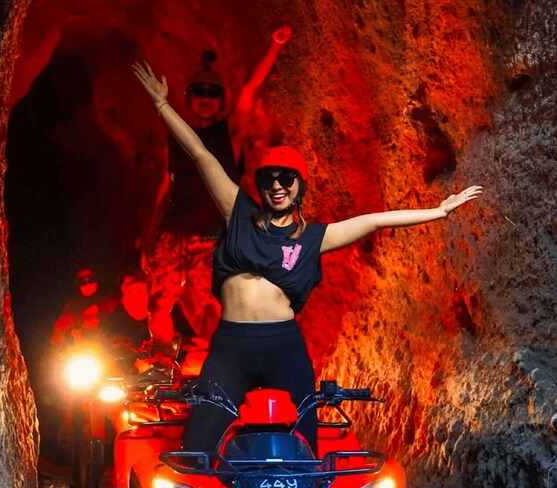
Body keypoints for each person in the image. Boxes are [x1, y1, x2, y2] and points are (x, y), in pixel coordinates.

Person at [132, 61, 482, 454]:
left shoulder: (313, 238)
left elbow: (374, 220)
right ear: (259, 185)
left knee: (305, 445)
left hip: (283, 347)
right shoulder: (238, 214)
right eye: (269, 179)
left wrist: (439, 211)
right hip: (232, 346)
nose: (277, 186)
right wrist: (161, 105)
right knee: (197, 445)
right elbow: (200, 154)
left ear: (299, 187)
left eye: (286, 179)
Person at [142, 25, 293, 345]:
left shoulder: (230, 134)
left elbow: (250, 91)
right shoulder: (177, 136)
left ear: (221, 100)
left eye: (212, 93)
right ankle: (162, 360)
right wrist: (150, 236)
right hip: (172, 235)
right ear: (189, 99)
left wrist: (275, 45)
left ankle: (221, 363)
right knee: (157, 306)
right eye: (199, 92)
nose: (205, 99)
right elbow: (165, 189)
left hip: (212, 238)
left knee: (218, 306)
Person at [50, 267, 116, 347]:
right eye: (82, 281)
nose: (87, 283)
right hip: (83, 349)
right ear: (78, 284)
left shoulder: (110, 297)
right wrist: (58, 336)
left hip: (109, 346)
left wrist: (97, 309)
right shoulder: (72, 306)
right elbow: (58, 332)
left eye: (91, 279)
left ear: (97, 280)